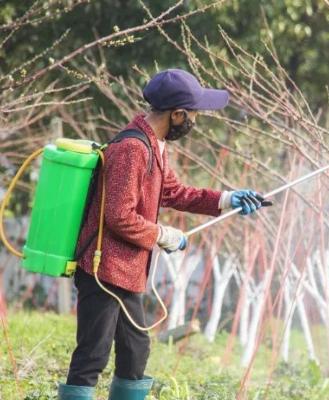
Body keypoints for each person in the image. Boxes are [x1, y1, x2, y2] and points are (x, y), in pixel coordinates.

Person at [58, 69, 266, 399]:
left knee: (135, 353)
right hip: (103, 269)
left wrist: (226, 199)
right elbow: (118, 216)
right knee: (92, 356)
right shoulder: (131, 149)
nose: (195, 121)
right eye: (194, 114)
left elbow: (173, 191)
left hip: (125, 272)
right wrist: (162, 235)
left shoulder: (155, 144)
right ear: (177, 114)